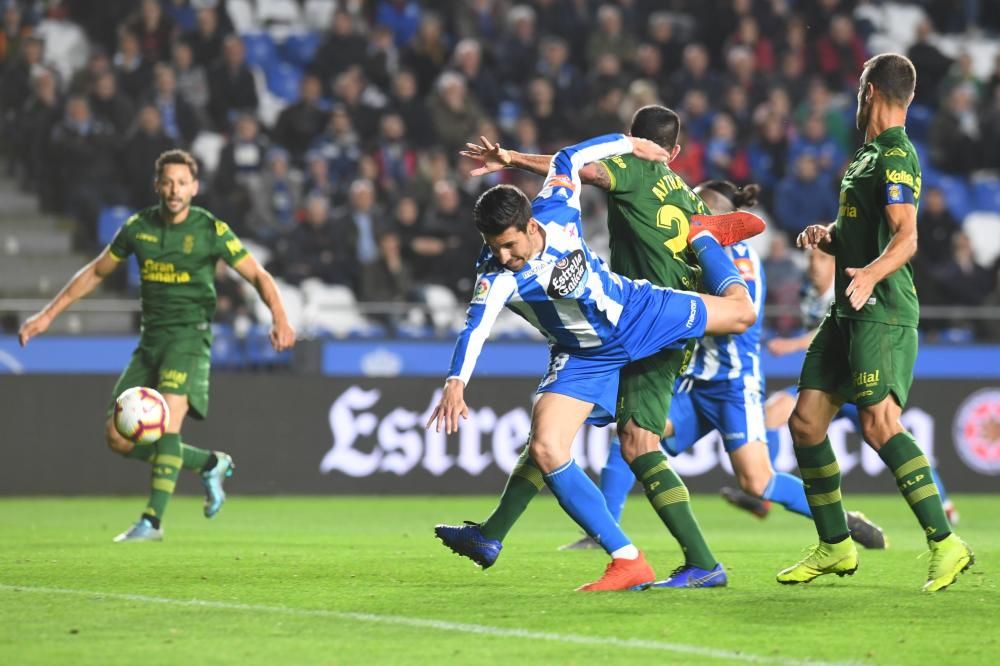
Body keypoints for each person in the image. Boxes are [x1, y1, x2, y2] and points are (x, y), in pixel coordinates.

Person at [427, 132, 764, 591]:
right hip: (584, 355)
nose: (503, 257)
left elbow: (571, 156)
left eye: (509, 245)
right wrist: (455, 382)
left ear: (530, 225)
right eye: (494, 246)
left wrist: (633, 143)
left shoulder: (559, 208)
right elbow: (475, 328)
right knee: (547, 446)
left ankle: (705, 240)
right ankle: (627, 559)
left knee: (742, 314)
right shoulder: (496, 276)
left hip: (638, 314)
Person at [563, 181, 887, 554]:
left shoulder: (739, 258)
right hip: (696, 382)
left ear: (709, 212)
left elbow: (738, 315)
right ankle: (604, 530)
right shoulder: (698, 250)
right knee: (633, 430)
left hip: (734, 383)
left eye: (692, 209)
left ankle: (842, 519)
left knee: (758, 482)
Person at [18, 149, 296, 543]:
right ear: (157, 186)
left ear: (194, 188)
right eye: (167, 182)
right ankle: (210, 463)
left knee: (167, 424)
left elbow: (258, 275)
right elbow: (97, 271)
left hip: (190, 337)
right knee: (117, 437)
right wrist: (47, 315)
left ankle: (152, 521)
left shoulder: (210, 230)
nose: (174, 190)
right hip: (151, 341)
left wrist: (280, 317)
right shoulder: (138, 228)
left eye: (182, 183)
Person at [778, 53, 973, 592]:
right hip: (848, 307)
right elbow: (859, 233)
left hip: (879, 309)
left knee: (878, 424)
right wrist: (829, 236)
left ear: (869, 90)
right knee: (806, 423)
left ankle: (946, 542)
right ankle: (836, 545)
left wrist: (867, 275)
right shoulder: (864, 158)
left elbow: (905, 237)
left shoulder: (896, 156)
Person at [742, 247, 961, 526]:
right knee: (773, 412)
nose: (814, 265)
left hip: (858, 385)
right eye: (810, 258)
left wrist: (793, 344)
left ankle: (941, 502)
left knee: (892, 439)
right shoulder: (808, 292)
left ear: (837, 262)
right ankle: (763, 495)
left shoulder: (849, 287)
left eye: (822, 258)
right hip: (828, 386)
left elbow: (834, 331)